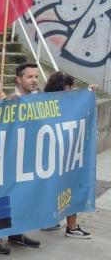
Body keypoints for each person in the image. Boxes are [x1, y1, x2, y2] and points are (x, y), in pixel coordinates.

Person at [0, 62, 42, 255]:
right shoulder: (9, 99)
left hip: (28, 157)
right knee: (2, 195)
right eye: (30, 77)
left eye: (36, 76)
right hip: (7, 158)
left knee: (22, 195)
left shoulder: (40, 99)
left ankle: (17, 232)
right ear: (19, 79)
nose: (34, 80)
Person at [42, 71, 92, 239]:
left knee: (69, 187)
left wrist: (87, 95)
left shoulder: (67, 103)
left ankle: (69, 225)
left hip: (67, 155)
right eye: (69, 87)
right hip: (56, 156)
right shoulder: (45, 104)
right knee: (62, 187)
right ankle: (58, 223)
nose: (72, 90)